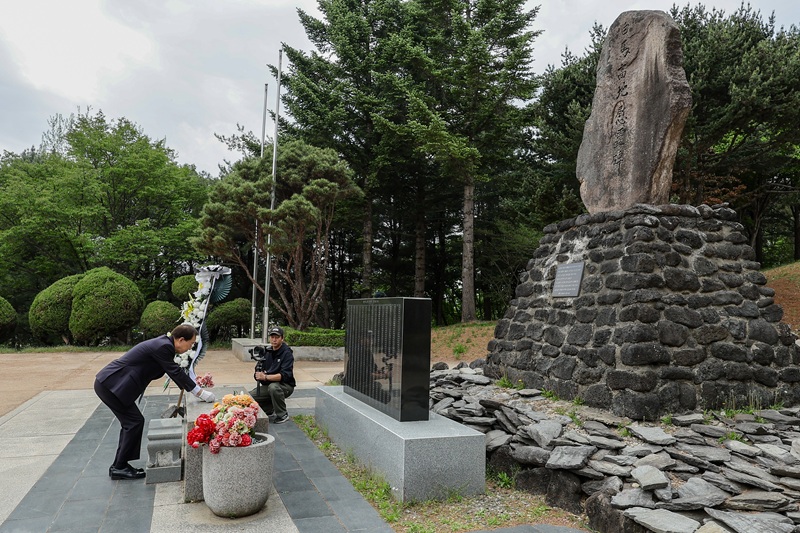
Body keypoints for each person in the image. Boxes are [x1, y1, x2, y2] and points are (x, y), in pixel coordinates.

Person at [94, 323, 215, 480]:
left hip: (112, 384)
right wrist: (200, 393)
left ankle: (119, 465)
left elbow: (174, 371)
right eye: (191, 344)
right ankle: (119, 467)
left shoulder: (164, 344)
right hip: (110, 384)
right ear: (180, 339)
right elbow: (175, 371)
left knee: (131, 422)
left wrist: (194, 384)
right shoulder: (163, 347)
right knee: (133, 422)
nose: (190, 348)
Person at [249, 326, 295, 424]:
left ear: (282, 338)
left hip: (285, 385)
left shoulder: (287, 353)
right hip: (269, 385)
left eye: (277, 337)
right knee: (250, 398)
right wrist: (258, 375)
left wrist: (265, 377)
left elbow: (285, 375)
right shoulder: (267, 352)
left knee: (273, 388)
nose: (274, 340)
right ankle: (269, 408)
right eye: (272, 337)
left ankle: (282, 414)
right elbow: (258, 370)